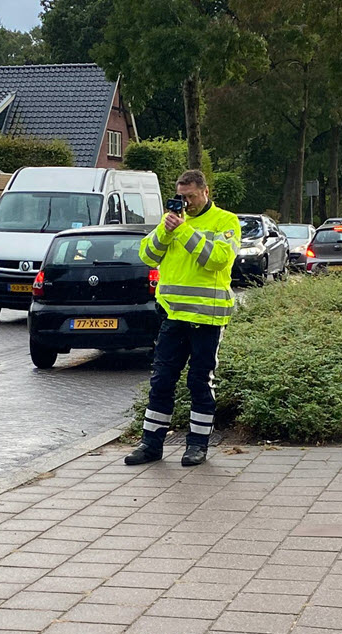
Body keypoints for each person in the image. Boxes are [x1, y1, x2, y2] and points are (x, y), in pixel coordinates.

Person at [125, 170, 241, 467]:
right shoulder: (172, 223)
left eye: (191, 196)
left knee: (200, 382)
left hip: (208, 318)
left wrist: (183, 231)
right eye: (181, 197)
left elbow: (217, 259)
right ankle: (151, 445)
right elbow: (147, 256)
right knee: (161, 381)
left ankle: (197, 446)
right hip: (173, 316)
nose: (186, 203)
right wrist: (166, 229)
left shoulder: (225, 221)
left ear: (205, 191)